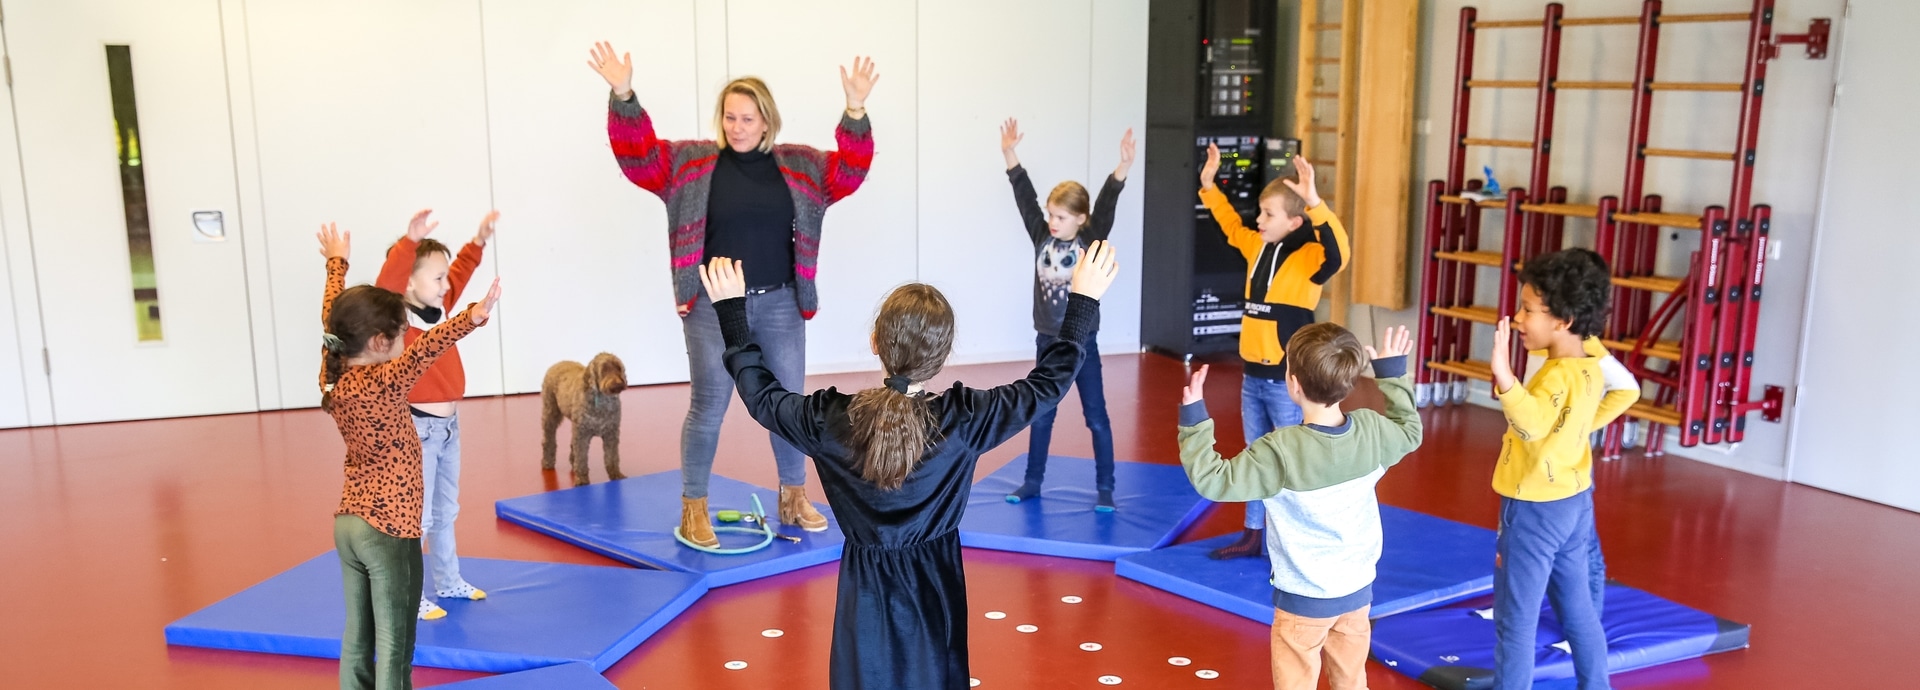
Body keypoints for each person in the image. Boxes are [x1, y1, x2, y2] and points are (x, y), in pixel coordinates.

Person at [701, 242, 1119, 689]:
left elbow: (761, 396)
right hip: (935, 590)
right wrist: (1082, 302)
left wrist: (732, 311)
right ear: (943, 356)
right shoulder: (965, 419)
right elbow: (1047, 384)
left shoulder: (829, 419)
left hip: (864, 594)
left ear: (874, 342)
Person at [588, 41, 878, 546]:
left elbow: (849, 172)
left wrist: (855, 110)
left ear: (767, 122)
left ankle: (793, 495)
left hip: (782, 303)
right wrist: (623, 93)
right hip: (711, 306)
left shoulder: (801, 165)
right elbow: (638, 158)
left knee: (788, 403)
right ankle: (694, 505)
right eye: (729, 117)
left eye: (747, 119)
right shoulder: (691, 164)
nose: (737, 127)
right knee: (709, 405)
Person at [1175, 324, 1421, 690]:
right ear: (1350, 380)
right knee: (1352, 682)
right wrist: (1392, 372)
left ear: (1293, 384)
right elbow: (1410, 430)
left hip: (1303, 601)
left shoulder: (1279, 451)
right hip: (1357, 592)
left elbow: (1214, 479)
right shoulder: (1372, 431)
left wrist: (1194, 418)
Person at [316, 223, 500, 690]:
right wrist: (474, 316)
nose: (407, 339)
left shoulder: (332, 371)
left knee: (359, 635)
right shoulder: (385, 381)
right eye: (400, 333)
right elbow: (431, 347)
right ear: (380, 343)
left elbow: (331, 318)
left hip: (349, 523)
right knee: (396, 645)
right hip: (389, 529)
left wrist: (336, 263)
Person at [1196, 144, 1351, 560]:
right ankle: (1254, 534)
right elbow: (1229, 223)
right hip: (1251, 378)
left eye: (1268, 215)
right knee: (1256, 457)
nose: (1258, 220)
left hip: (1288, 383)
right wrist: (1209, 185)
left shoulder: (1310, 258)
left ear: (1294, 221)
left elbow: (1340, 251)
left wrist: (1316, 202)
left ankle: (1295, 540)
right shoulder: (1255, 246)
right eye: (1260, 213)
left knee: (1291, 459)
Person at [1487, 248, 1627, 690]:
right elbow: (1624, 395)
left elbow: (1530, 424)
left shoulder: (1553, 376)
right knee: (1579, 610)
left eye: (1528, 309)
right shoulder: (1588, 365)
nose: (1518, 318)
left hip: (1533, 510)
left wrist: (1504, 376)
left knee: (1516, 621)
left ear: (1563, 321)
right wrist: (1578, 431)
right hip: (1573, 504)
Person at [996, 118, 1133, 510]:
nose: (1052, 222)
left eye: (1060, 217)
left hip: (1082, 342)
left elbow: (1107, 203)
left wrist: (1122, 166)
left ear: (1080, 219)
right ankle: (1032, 481)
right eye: (1051, 215)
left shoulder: (1091, 241)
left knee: (1096, 417)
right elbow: (1024, 194)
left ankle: (1105, 486)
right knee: (1041, 414)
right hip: (1047, 341)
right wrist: (1010, 152)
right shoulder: (1042, 236)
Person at [373, 209, 497, 620]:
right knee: (418, 517)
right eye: (437, 279)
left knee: (446, 510)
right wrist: (408, 243)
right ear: (410, 282)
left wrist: (478, 240)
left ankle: (448, 580)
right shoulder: (396, 318)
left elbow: (460, 269)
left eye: (445, 279)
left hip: (448, 429)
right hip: (416, 429)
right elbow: (386, 284)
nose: (447, 286)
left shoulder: (439, 310)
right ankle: (410, 593)